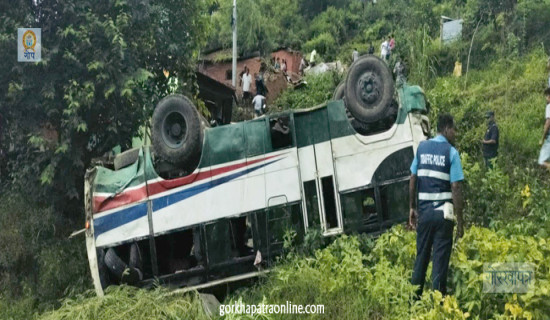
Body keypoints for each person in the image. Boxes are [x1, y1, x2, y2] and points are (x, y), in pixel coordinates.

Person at [409, 113, 464, 298]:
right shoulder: (451, 152)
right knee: (440, 262)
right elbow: (455, 187)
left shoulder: (422, 148)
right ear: (447, 129)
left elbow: (413, 177)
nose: (455, 134)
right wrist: (460, 223)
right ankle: (437, 306)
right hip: (443, 217)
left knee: (421, 258)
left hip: (424, 214)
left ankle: (413, 301)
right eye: (454, 130)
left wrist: (412, 208)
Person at [538, 88, 550, 169]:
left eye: (546, 96)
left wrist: (542, 138)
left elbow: (548, 122)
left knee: (541, 161)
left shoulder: (549, 106)